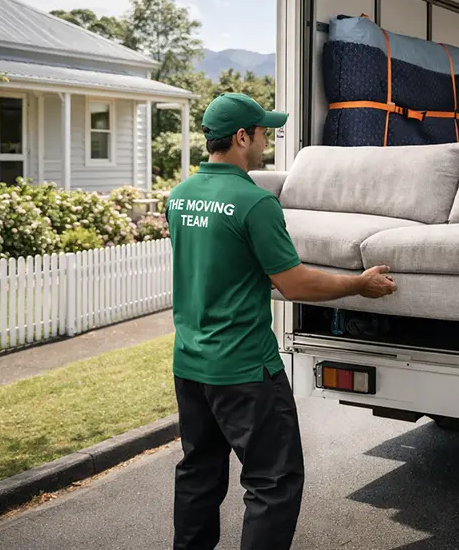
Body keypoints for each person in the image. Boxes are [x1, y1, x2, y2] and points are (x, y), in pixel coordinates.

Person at [166, 92, 397, 550]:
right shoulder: (255, 204)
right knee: (273, 483)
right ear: (240, 137)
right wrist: (357, 284)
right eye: (263, 133)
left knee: (198, 474)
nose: (266, 141)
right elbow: (295, 285)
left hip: (190, 365)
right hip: (246, 369)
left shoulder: (179, 197)